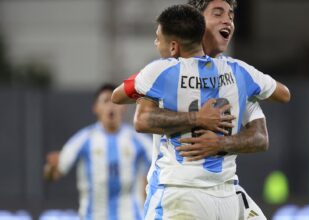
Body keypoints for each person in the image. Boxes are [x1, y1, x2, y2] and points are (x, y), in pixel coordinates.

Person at [113, 0, 290, 219]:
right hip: (178, 188)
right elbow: (140, 116)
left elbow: (260, 138)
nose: (227, 20)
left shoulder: (237, 75)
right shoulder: (167, 69)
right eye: (218, 14)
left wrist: (220, 143)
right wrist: (198, 118)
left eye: (231, 16)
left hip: (225, 190)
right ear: (196, 20)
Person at [43, 84, 152, 220]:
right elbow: (54, 174)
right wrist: (50, 167)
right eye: (106, 101)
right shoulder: (83, 139)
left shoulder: (138, 139)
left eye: (115, 102)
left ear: (124, 107)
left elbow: (161, 164)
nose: (111, 107)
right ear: (96, 108)